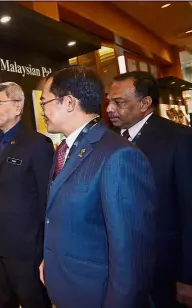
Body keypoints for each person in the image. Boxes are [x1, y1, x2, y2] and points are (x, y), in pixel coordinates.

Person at [38, 65, 157, 308]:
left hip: (96, 294)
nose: (42, 110)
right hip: (67, 287)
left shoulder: (118, 155)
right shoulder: (63, 150)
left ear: (69, 102)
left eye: (45, 102)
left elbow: (130, 255)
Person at [107, 71, 192, 308]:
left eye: (119, 102)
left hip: (166, 269)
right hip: (123, 270)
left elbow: (189, 210)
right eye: (109, 101)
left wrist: (188, 276)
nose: (110, 108)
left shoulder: (179, 139)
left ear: (145, 104)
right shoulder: (108, 139)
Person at [0, 82, 54, 308]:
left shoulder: (38, 144)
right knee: (3, 298)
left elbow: (46, 199)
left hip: (26, 245)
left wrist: (45, 249)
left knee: (33, 300)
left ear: (18, 107)